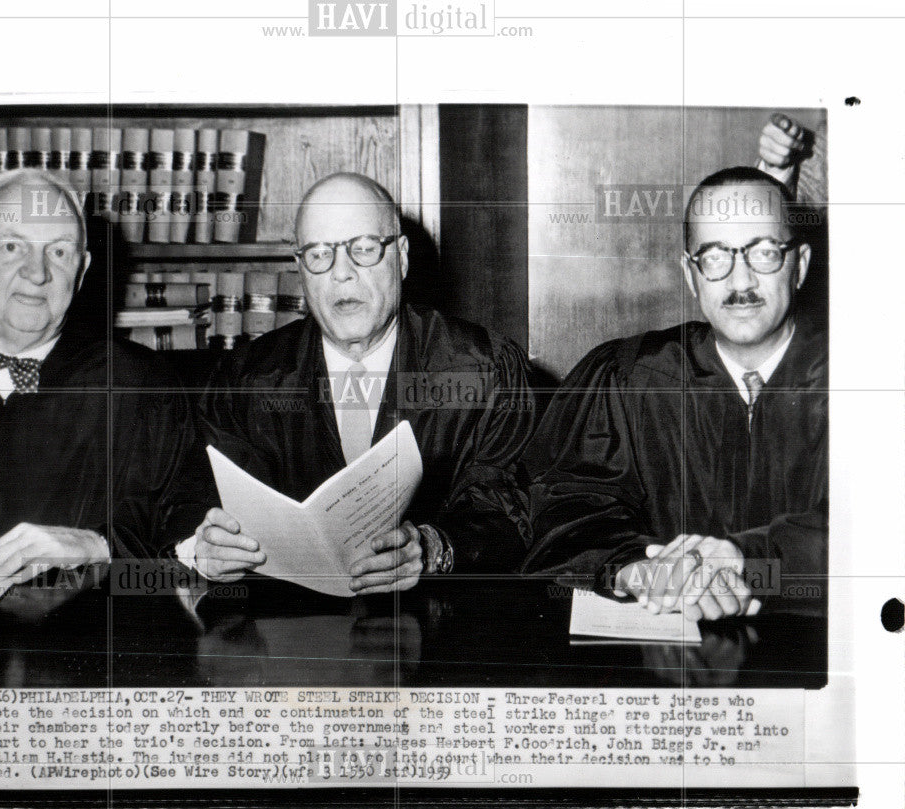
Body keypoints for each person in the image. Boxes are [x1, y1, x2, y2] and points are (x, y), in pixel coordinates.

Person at [183, 172, 536, 594]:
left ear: (401, 258)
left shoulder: (484, 369)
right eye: (319, 254)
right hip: (291, 636)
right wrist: (203, 550)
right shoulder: (243, 381)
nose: (341, 274)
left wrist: (434, 546)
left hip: (441, 627)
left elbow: (516, 510)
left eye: (364, 249)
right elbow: (191, 503)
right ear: (300, 270)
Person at [522, 166, 826, 621]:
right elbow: (567, 512)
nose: (740, 282)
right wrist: (634, 570)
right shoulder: (630, 379)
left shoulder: (867, 385)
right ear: (690, 273)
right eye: (715, 256)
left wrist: (748, 560)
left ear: (799, 265)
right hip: (665, 656)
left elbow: (880, 526)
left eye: (764, 252)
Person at [0, 168, 213, 582]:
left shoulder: (142, 388)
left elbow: (190, 545)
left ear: (81, 272)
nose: (37, 272)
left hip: (80, 638)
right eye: (12, 247)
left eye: (59, 252)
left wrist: (99, 547)